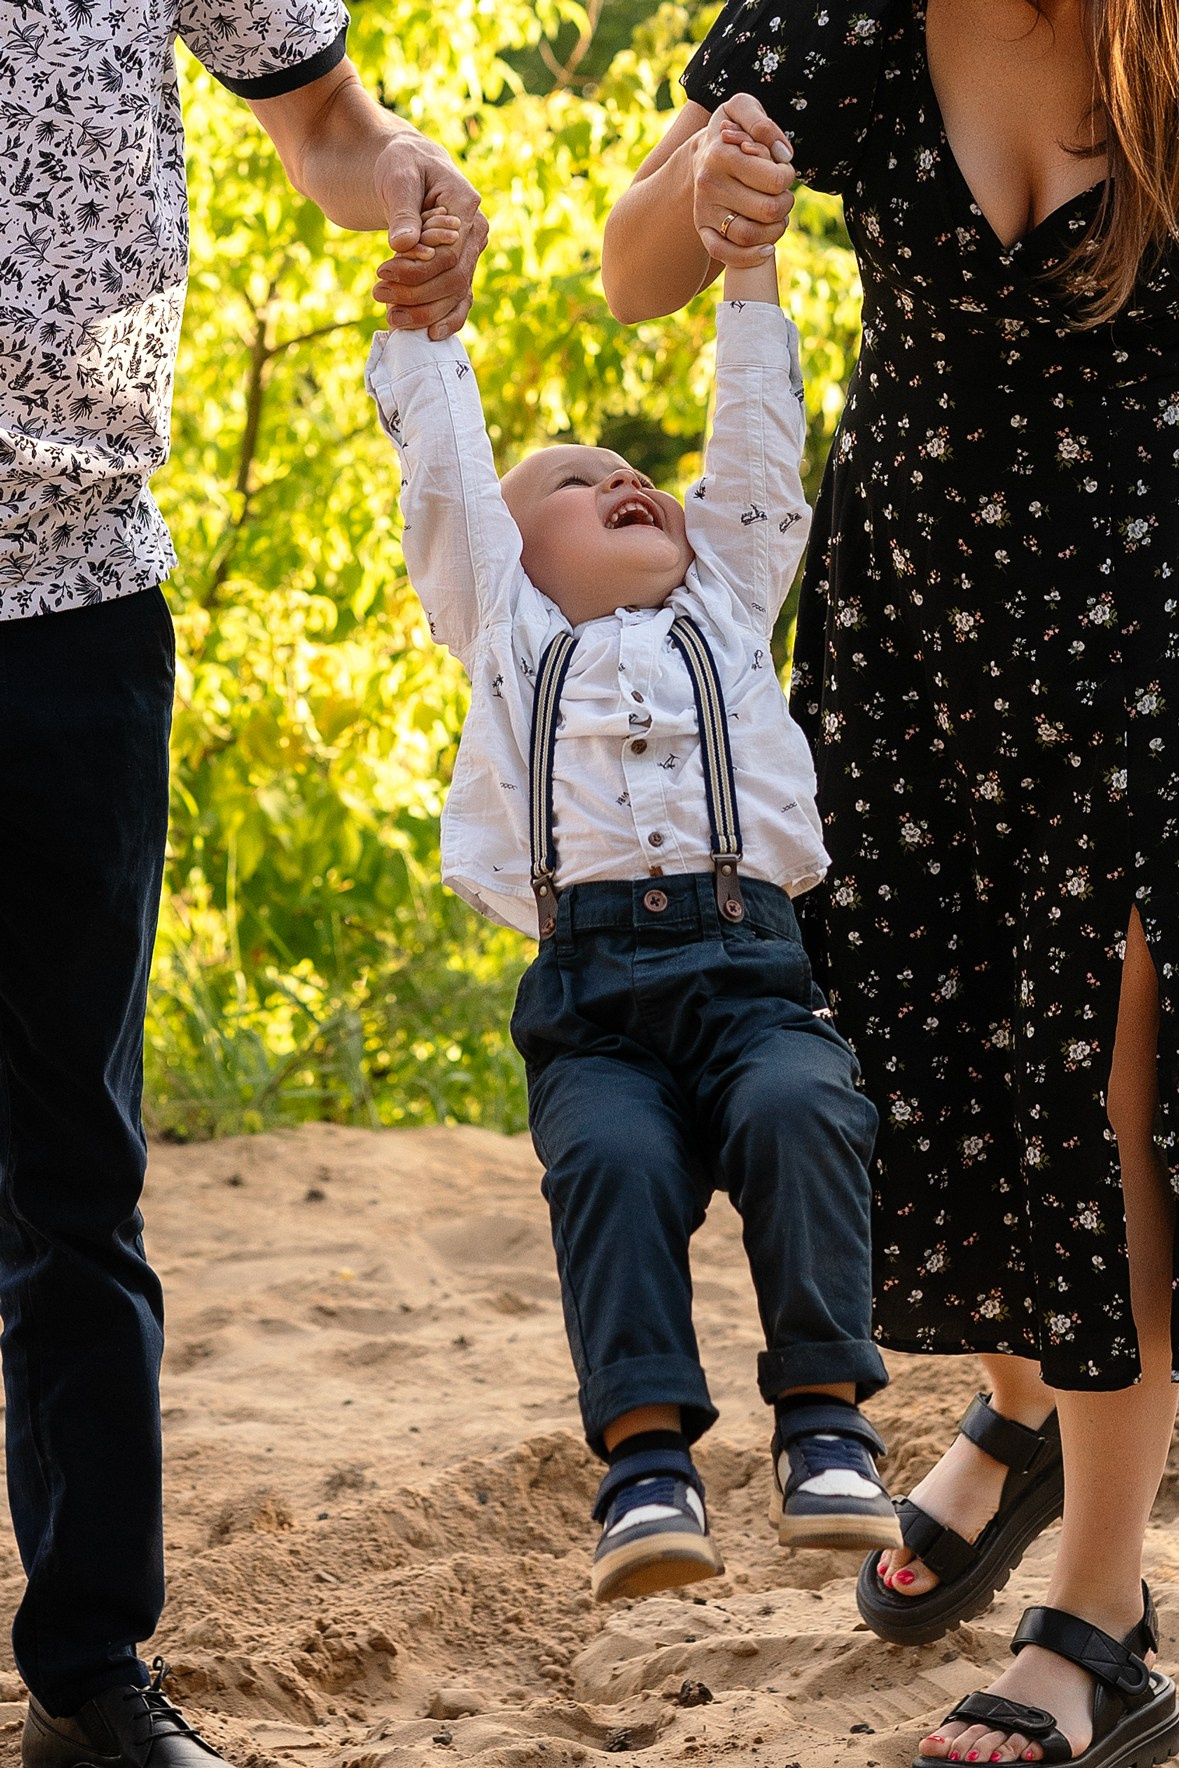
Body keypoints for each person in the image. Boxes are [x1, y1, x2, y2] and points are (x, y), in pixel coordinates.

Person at [601, 0, 1179, 1763]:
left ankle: (1103, 1609)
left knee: (1098, 1086)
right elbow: (633, 272)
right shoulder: (845, 17)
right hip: (911, 606)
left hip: (1139, 613)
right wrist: (722, 178)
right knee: (913, 1047)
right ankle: (1015, 1421)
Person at [0, 9, 485, 1767]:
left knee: (73, 1179)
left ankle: (89, 1683)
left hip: (73, 602)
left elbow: (327, 126)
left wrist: (408, 181)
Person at [364, 200, 900, 1607]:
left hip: (754, 972)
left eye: (638, 470)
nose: (631, 480)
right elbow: (450, 478)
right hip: (593, 1006)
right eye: (580, 482)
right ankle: (648, 1466)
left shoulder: (726, 600)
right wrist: (430, 336)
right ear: (513, 554)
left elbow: (757, 452)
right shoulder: (507, 631)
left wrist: (749, 270)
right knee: (609, 1166)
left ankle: (828, 1424)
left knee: (807, 1113)